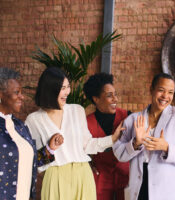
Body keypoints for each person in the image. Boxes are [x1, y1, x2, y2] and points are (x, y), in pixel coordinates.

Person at [25, 67, 123, 200]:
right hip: (55, 176)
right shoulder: (34, 120)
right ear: (50, 89)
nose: (67, 92)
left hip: (83, 174)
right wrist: (50, 148)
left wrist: (113, 138)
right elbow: (34, 160)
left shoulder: (77, 111)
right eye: (62, 88)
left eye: (68, 87)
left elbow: (87, 145)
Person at [113, 73, 175, 200]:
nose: (165, 96)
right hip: (139, 186)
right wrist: (135, 144)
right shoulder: (133, 119)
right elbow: (119, 154)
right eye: (161, 90)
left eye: (170, 92)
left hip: (169, 189)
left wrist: (167, 147)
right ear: (151, 90)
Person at [0, 67, 63, 200]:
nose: (21, 97)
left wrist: (49, 149)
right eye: (17, 92)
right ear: (1, 95)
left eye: (21, 92)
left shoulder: (20, 127)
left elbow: (31, 161)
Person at [83, 73, 130, 200]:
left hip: (125, 177)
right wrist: (88, 162)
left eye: (115, 94)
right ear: (96, 99)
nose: (115, 99)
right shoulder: (86, 123)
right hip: (100, 179)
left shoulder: (127, 116)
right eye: (109, 95)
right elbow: (81, 149)